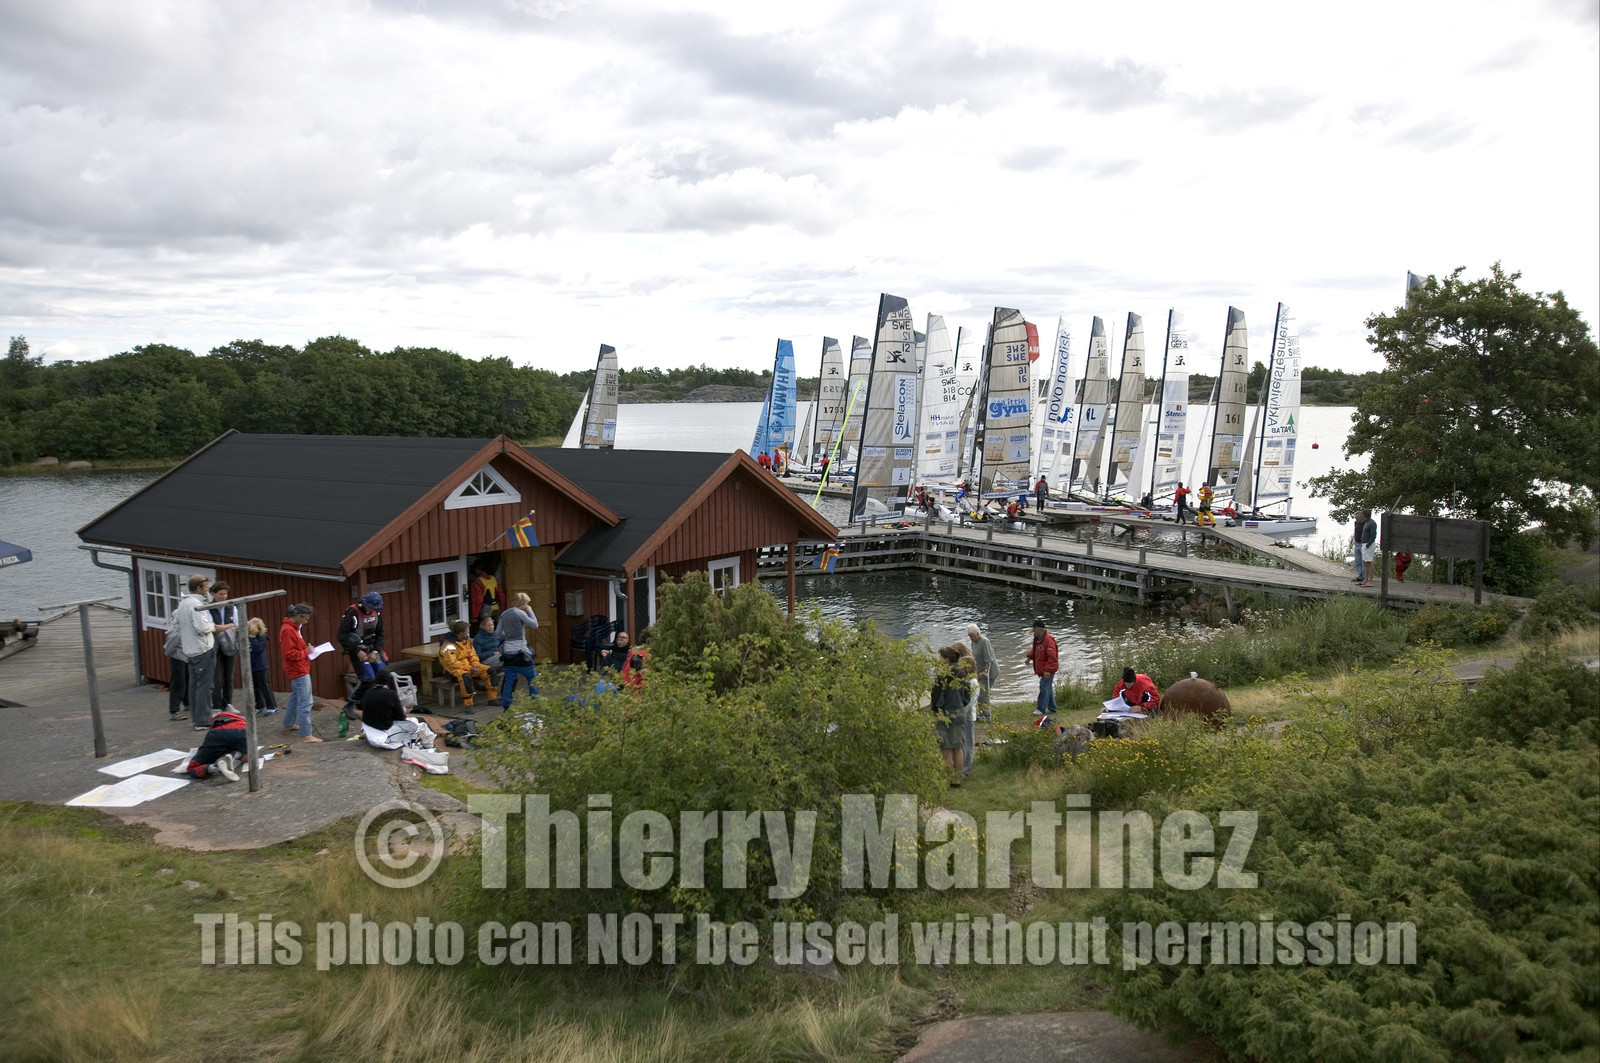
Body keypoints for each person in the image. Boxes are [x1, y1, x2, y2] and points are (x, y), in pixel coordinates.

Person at [174, 575, 227, 731]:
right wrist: (212, 625)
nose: (207, 590)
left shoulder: (183, 603)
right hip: (202, 649)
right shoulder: (196, 605)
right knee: (205, 686)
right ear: (198, 588)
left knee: (194, 685)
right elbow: (202, 628)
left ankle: (197, 718)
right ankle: (203, 721)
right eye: (206, 587)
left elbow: (176, 625)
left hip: (189, 649)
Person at [358, 669, 437, 749]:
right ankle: (430, 747)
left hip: (369, 729)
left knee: (415, 722)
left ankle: (421, 743)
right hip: (385, 732)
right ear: (388, 681)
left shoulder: (368, 693)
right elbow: (401, 718)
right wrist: (403, 710)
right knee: (421, 723)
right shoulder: (391, 694)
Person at [279, 604, 322, 743]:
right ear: (299, 616)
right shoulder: (288, 630)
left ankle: (288, 723)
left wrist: (305, 649)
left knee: (295, 697)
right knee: (306, 702)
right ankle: (306, 734)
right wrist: (306, 652)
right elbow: (289, 653)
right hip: (298, 669)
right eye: (306, 618)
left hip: (298, 667)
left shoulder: (292, 628)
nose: (306, 621)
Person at [338, 591, 386, 713]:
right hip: (357, 648)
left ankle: (378, 705)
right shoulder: (352, 613)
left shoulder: (377, 613)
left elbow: (380, 633)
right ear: (365, 604)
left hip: (372, 647)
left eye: (375, 608)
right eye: (371, 607)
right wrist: (357, 650)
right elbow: (342, 635)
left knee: (382, 675)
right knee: (367, 679)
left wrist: (375, 651)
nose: (373, 610)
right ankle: (350, 705)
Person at [931, 645, 972, 785]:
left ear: (947, 659)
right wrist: (961, 705)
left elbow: (935, 697)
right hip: (959, 714)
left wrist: (935, 709)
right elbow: (968, 695)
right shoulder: (962, 674)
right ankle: (957, 778)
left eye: (941, 657)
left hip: (945, 714)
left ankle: (949, 778)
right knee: (958, 747)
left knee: (946, 748)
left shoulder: (942, 675)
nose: (939, 660)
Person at [440, 619, 498, 708]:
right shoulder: (449, 646)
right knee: (465, 677)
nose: (467, 632)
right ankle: (468, 705)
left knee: (490, 671)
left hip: (470, 667)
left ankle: (492, 699)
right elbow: (453, 663)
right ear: (460, 633)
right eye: (466, 631)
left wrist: (475, 665)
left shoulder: (466, 642)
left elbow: (473, 656)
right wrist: (470, 668)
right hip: (453, 671)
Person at [497, 592, 540, 707]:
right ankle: (535, 702)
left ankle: (506, 705)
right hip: (520, 651)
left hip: (507, 651)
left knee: (509, 680)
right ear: (524, 603)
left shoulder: (504, 614)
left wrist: (507, 636)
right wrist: (530, 610)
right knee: (532, 677)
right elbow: (535, 624)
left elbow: (498, 633)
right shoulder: (520, 613)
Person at [185, 708, 247, 781]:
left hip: (217, 733)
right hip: (242, 730)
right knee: (250, 754)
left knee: (192, 768)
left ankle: (214, 768)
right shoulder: (238, 718)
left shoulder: (215, 723)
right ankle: (234, 755)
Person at [208, 582, 241, 715]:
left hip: (229, 644)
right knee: (216, 677)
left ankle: (227, 703)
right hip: (214, 645)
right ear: (214, 594)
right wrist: (229, 626)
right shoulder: (208, 608)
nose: (224, 597)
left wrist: (225, 627)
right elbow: (212, 627)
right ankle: (216, 706)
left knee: (229, 676)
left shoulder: (231, 607)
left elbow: (237, 626)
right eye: (221, 594)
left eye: (225, 594)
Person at [1025, 616, 1058, 716]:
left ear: (1040, 628)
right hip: (1043, 669)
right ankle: (1052, 708)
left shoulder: (1048, 640)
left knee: (1043, 687)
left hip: (1048, 669)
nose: (1033, 630)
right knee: (1047, 688)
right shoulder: (1038, 639)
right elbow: (1036, 650)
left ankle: (1041, 709)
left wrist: (1048, 670)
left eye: (1034, 628)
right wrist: (1029, 657)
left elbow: (1052, 657)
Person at [246, 617, 278, 717]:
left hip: (260, 666)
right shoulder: (248, 638)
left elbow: (258, 648)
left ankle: (272, 706)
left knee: (265, 686)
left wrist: (253, 637)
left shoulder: (262, 637)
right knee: (255, 687)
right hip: (251, 666)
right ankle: (259, 705)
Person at [966, 622, 997, 722]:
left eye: (972, 636)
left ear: (977, 633)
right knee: (977, 692)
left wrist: (985, 671)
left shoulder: (984, 641)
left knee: (983, 693)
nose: (970, 638)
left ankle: (986, 714)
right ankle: (981, 712)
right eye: (969, 636)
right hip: (979, 671)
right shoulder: (973, 643)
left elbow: (988, 659)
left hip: (989, 671)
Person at [163, 606, 189, 721]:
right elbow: (168, 648)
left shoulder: (185, 628)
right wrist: (169, 652)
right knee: (178, 683)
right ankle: (174, 710)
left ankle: (188, 703)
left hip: (187, 657)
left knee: (187, 680)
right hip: (178, 658)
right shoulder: (176, 631)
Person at [1356, 509, 1378, 586]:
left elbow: (1373, 535)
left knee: (1369, 563)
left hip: (1368, 544)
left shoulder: (1372, 523)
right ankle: (1366, 580)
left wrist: (1368, 545)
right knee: (1365, 562)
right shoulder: (1366, 522)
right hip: (1364, 544)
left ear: (1364, 515)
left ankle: (1370, 581)